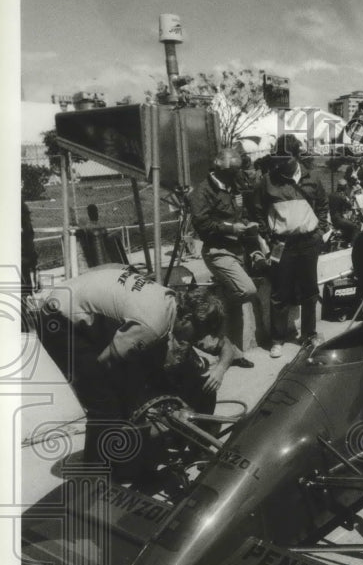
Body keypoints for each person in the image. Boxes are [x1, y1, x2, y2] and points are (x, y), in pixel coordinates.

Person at [35, 264, 245, 476]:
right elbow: (106, 362)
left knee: (128, 388)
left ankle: (124, 453)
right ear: (187, 319)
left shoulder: (170, 301)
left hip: (78, 299)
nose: (194, 341)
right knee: (104, 403)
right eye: (194, 334)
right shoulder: (153, 325)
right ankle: (94, 477)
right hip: (57, 320)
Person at [247, 133, 329, 358]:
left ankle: (309, 335)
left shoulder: (312, 178)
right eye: (278, 159)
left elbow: (323, 205)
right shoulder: (268, 181)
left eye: (286, 159)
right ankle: (277, 339)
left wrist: (320, 232)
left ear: (296, 156)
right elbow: (257, 211)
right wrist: (267, 235)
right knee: (279, 293)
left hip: (308, 243)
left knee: (310, 292)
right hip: (281, 245)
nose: (280, 163)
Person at [190, 148, 261, 308]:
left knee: (245, 297)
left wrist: (247, 224)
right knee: (248, 290)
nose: (236, 175)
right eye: (233, 172)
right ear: (221, 170)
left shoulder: (233, 187)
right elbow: (202, 224)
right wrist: (231, 228)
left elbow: (239, 213)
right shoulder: (202, 191)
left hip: (238, 249)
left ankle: (222, 291)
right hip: (218, 251)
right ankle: (210, 304)